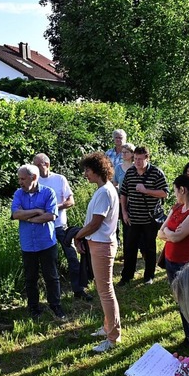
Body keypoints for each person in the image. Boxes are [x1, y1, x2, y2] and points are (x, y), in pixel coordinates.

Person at [74, 152, 121, 353]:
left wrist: (77, 236)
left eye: (87, 170)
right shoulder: (104, 189)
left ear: (97, 170)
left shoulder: (104, 192)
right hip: (100, 244)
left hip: (102, 245)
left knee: (105, 291)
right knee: (104, 290)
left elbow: (95, 223)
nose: (85, 174)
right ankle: (107, 327)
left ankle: (113, 337)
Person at [157, 174, 189, 353]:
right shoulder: (178, 207)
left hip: (188, 264)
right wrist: (171, 233)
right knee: (180, 302)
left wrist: (170, 233)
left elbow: (177, 236)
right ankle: (188, 336)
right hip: (172, 261)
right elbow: (161, 232)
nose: (174, 193)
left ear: (183, 190)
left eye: (175, 190)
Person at [33, 153, 92, 301]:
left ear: (47, 164)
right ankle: (52, 295)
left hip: (60, 226)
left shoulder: (59, 179)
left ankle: (79, 290)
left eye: (38, 164)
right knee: (48, 260)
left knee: (72, 256)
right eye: (34, 165)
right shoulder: (33, 181)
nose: (35, 168)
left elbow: (71, 201)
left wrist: (53, 208)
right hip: (42, 227)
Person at [11, 164, 66, 320]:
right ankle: (33, 307)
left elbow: (51, 216)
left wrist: (26, 217)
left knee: (51, 276)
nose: (20, 182)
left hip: (46, 242)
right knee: (30, 278)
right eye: (19, 178)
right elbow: (15, 214)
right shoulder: (18, 194)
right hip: (28, 243)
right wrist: (36, 211)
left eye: (22, 178)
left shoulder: (48, 193)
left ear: (33, 177)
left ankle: (55, 305)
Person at [119, 146, 168, 286]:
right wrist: (124, 212)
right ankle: (127, 276)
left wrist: (146, 190)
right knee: (129, 248)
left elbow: (164, 193)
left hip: (149, 218)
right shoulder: (130, 172)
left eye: (140, 159)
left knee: (149, 248)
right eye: (135, 159)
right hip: (132, 218)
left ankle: (149, 276)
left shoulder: (156, 173)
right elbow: (124, 193)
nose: (137, 162)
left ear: (147, 158)